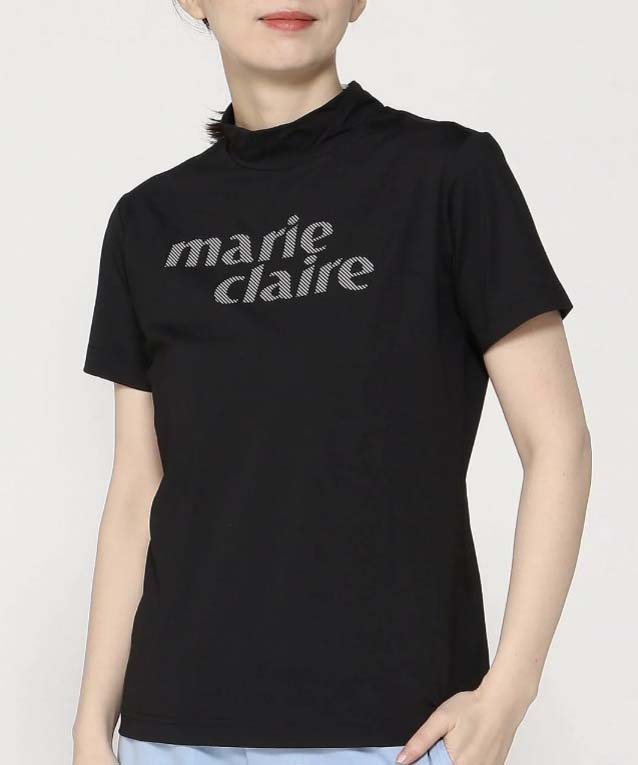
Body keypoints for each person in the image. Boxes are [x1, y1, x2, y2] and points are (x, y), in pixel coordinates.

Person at [72, 2, 592, 765]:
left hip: (396, 732)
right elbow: (136, 490)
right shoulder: (146, 223)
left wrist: (510, 688)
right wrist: (92, 724)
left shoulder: (449, 176)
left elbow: (558, 442)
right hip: (173, 732)